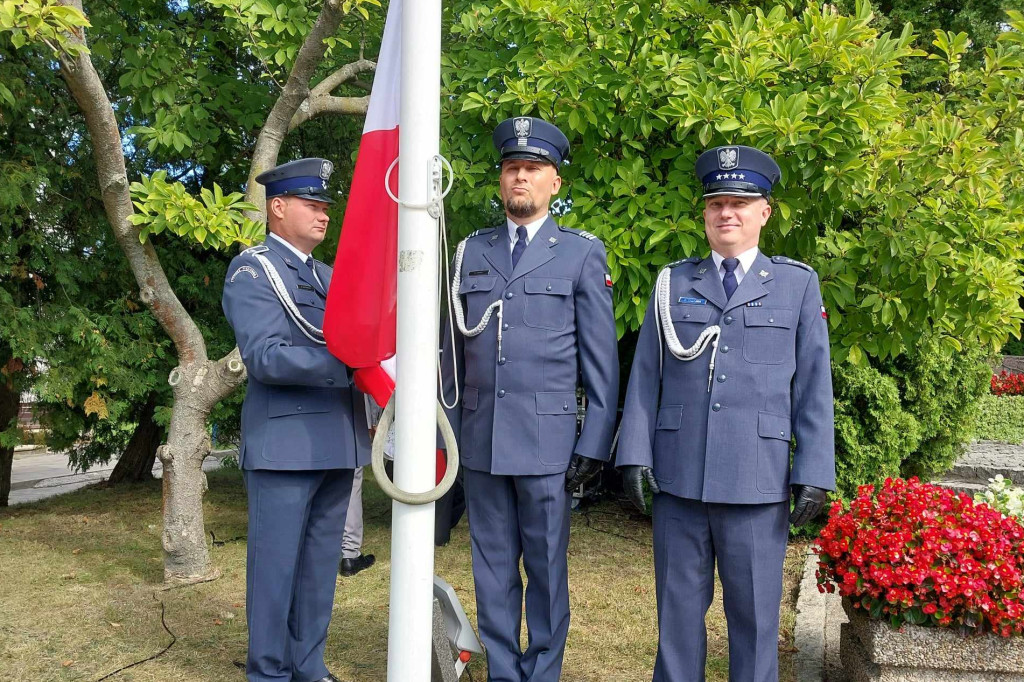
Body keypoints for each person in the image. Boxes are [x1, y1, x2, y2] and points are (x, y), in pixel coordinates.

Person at [616, 145, 835, 682]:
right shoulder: (674, 282)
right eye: (716, 202)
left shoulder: (796, 284)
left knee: (756, 625)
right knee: (677, 624)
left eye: (740, 202)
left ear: (765, 211)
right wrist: (633, 455)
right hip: (680, 479)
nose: (726, 213)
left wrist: (813, 472)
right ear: (705, 212)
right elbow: (646, 377)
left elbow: (812, 387)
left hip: (756, 486)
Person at [440, 116, 619, 682]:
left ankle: (542, 672)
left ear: (554, 183)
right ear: (501, 180)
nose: (521, 177)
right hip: (482, 438)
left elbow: (601, 364)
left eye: (533, 169)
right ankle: (503, 672)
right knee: (492, 569)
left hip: (547, 445)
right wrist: (445, 431)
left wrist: (593, 444)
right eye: (513, 168)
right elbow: (448, 350)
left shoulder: (581, 254)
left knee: (544, 569)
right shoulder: (471, 251)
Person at [222, 157, 370, 682]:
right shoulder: (253, 270)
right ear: (278, 207)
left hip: (336, 442)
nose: (323, 214)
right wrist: (347, 363)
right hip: (284, 445)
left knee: (316, 574)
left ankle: (309, 667)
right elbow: (265, 355)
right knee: (275, 571)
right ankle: (267, 672)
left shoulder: (331, 277)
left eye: (326, 205)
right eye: (312, 204)